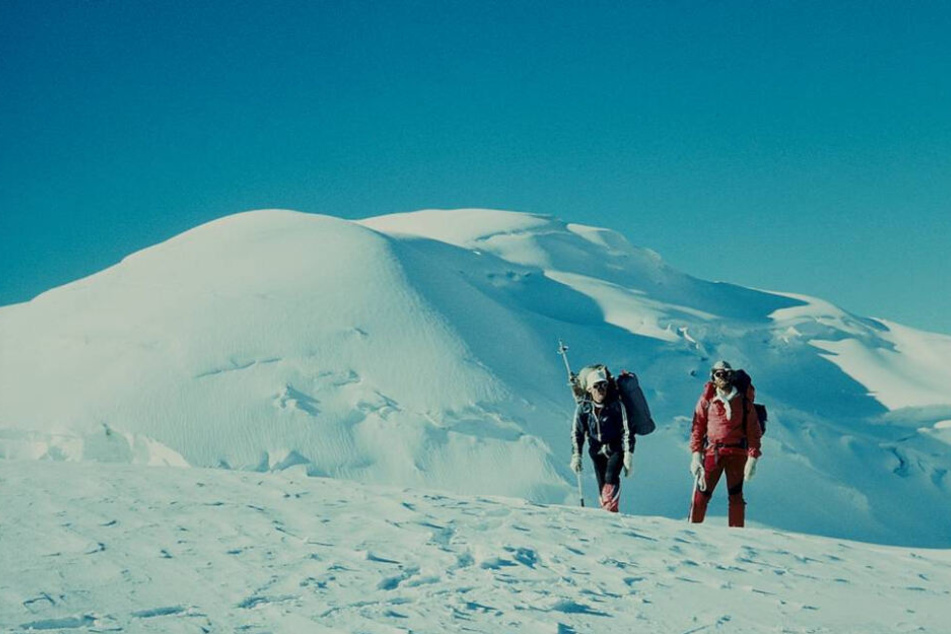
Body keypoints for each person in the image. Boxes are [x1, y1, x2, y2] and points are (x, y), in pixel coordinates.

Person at [688, 360, 762, 527]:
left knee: (735, 495)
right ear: (713, 377)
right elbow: (697, 428)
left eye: (726, 374)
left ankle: (736, 533)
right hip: (712, 452)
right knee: (702, 493)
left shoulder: (743, 402)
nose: (722, 378)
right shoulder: (706, 400)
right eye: (718, 374)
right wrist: (696, 456)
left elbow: (753, 431)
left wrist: (752, 459)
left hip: (737, 453)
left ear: (732, 376)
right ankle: (693, 529)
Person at [570, 366, 634, 512]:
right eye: (596, 386)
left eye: (603, 385)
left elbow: (627, 430)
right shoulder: (583, 409)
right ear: (589, 389)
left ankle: (611, 510)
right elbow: (577, 433)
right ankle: (606, 510)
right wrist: (576, 455)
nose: (601, 390)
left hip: (615, 448)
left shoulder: (616, 406)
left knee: (611, 477)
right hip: (596, 451)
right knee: (602, 485)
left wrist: (628, 454)